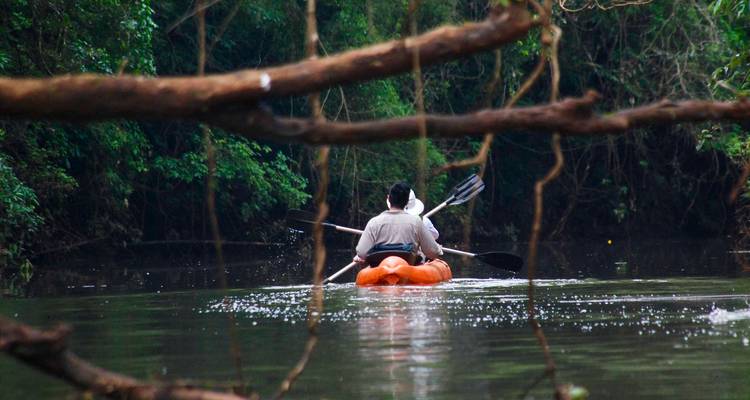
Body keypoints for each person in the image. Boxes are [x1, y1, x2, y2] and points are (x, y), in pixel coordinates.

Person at [354, 182, 442, 265]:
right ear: (406, 201)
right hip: (409, 268)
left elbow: (361, 252)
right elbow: (433, 252)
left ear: (388, 198)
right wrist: (439, 249)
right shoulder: (416, 222)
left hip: (381, 267)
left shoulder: (374, 222)